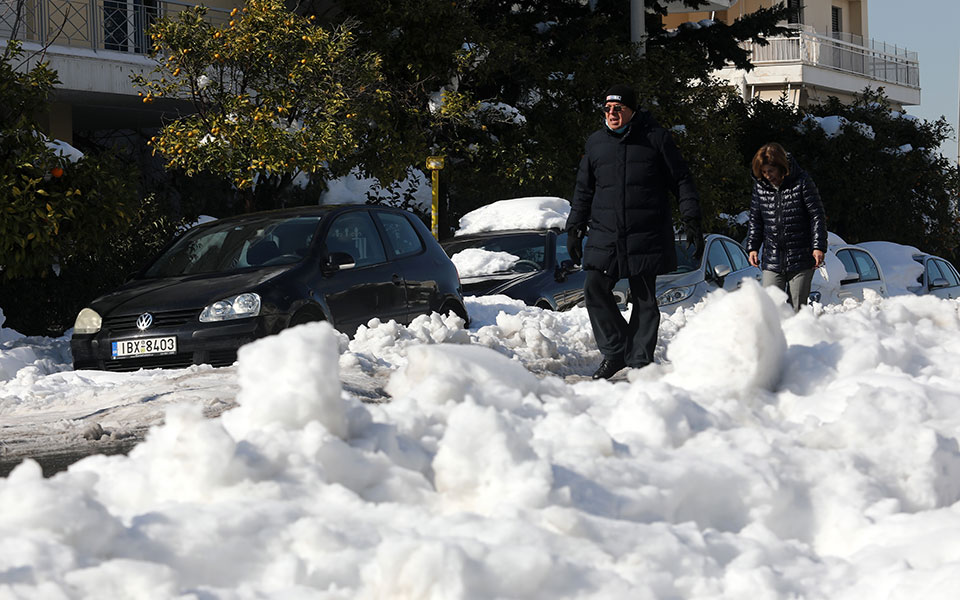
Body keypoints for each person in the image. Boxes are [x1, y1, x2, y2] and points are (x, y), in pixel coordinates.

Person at [565, 84, 703, 380]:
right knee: (594, 287)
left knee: (644, 297)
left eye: (618, 109)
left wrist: (691, 218)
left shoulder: (656, 139)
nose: (612, 114)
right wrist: (574, 227)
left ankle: (640, 361)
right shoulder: (596, 144)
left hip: (646, 231)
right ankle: (615, 352)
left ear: (632, 110)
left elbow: (681, 180)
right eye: (607, 109)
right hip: (606, 232)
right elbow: (583, 190)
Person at [745, 142, 827, 312]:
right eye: (763, 172)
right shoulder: (760, 188)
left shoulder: (802, 181)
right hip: (772, 257)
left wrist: (818, 246)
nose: (767, 175)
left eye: (771, 171)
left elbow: (817, 216)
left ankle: (799, 337)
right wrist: (752, 247)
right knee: (769, 307)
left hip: (801, 256)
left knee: (797, 308)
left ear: (782, 167)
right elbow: (756, 219)